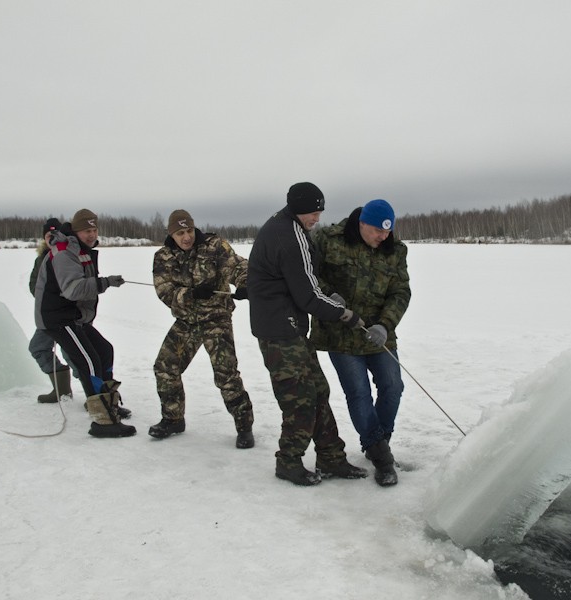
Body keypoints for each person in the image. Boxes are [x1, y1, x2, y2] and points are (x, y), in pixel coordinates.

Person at [248, 182, 368, 486]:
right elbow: (308, 297)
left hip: (288, 326)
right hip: (280, 330)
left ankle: (331, 457)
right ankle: (288, 461)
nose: (317, 218)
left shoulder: (288, 227)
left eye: (320, 212)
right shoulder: (289, 236)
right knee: (300, 397)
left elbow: (304, 280)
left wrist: (327, 294)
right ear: (300, 209)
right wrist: (344, 314)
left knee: (318, 389)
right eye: (314, 213)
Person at [311, 199, 410, 486]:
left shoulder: (396, 250)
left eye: (387, 232)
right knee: (359, 393)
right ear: (362, 224)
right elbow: (310, 275)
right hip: (340, 334)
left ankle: (379, 440)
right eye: (378, 231)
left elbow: (400, 292)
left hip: (378, 333)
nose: (383, 237)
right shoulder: (330, 240)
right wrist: (328, 294)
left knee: (393, 386)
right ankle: (381, 456)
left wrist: (385, 324)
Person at [149, 210, 255, 448]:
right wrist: (191, 293)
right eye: (180, 233)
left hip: (216, 319)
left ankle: (244, 426)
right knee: (165, 367)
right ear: (171, 234)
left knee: (226, 374)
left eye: (188, 231)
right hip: (186, 321)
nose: (186, 237)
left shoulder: (214, 246)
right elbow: (164, 291)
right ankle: (173, 418)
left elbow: (238, 266)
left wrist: (245, 284)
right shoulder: (163, 256)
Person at [34, 208, 135, 438]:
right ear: (75, 231)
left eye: (94, 229)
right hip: (56, 317)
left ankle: (110, 406)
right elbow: (73, 289)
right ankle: (103, 421)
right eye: (86, 230)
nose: (91, 234)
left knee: (104, 350)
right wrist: (105, 283)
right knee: (89, 361)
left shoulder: (82, 250)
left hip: (73, 316)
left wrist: (102, 283)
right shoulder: (64, 251)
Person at [28, 217, 75, 404]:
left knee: (72, 353)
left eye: (56, 234)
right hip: (48, 316)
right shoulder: (41, 259)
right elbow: (34, 286)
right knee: (38, 348)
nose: (52, 238)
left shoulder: (68, 255)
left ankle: (95, 394)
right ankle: (61, 389)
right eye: (49, 235)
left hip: (68, 316)